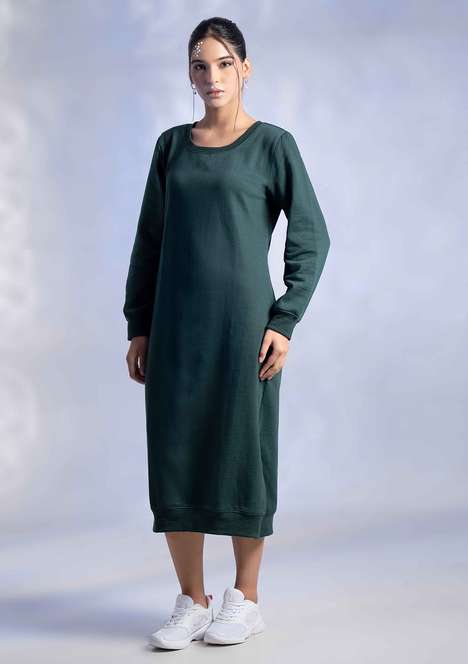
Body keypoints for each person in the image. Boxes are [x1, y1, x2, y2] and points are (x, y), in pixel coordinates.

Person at [123, 17, 330, 650]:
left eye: (222, 63)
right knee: (176, 456)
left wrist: (284, 319)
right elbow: (149, 241)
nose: (211, 76)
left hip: (245, 333)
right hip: (174, 330)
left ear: (245, 69)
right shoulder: (172, 148)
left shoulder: (272, 145)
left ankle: (246, 599)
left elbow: (311, 236)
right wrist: (139, 324)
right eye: (199, 65)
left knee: (244, 456)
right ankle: (192, 600)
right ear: (189, 74)